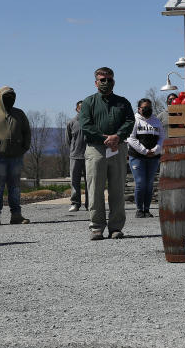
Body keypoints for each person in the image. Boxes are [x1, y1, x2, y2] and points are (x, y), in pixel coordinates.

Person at [79, 67, 135, 240]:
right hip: (96, 149)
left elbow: (130, 121)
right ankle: (96, 227)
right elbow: (86, 125)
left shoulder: (123, 102)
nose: (105, 82)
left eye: (109, 79)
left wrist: (117, 137)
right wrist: (105, 138)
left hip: (117, 148)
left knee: (117, 189)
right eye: (102, 79)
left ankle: (116, 227)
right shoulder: (89, 102)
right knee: (95, 189)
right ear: (96, 82)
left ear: (114, 81)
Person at [0, 86, 32, 227]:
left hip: (16, 156)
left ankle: (16, 215)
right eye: (6, 96)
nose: (10, 99)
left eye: (12, 96)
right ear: (0, 97)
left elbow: (27, 131)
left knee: (15, 186)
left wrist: (25, 147)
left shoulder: (19, 114)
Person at [127, 98, 165, 218]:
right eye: (145, 107)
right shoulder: (134, 120)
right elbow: (130, 138)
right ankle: (139, 209)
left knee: (149, 183)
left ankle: (147, 209)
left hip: (153, 157)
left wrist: (155, 150)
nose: (147, 109)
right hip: (137, 157)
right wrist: (144, 151)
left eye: (149, 107)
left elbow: (162, 137)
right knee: (140, 182)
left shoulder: (156, 121)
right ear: (139, 109)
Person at [66, 101, 86, 212]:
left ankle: (90, 204)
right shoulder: (71, 123)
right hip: (75, 156)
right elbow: (68, 140)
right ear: (77, 109)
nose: (83, 110)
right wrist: (74, 150)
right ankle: (75, 203)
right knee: (75, 181)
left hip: (89, 156)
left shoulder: (91, 122)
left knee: (90, 181)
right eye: (81, 108)